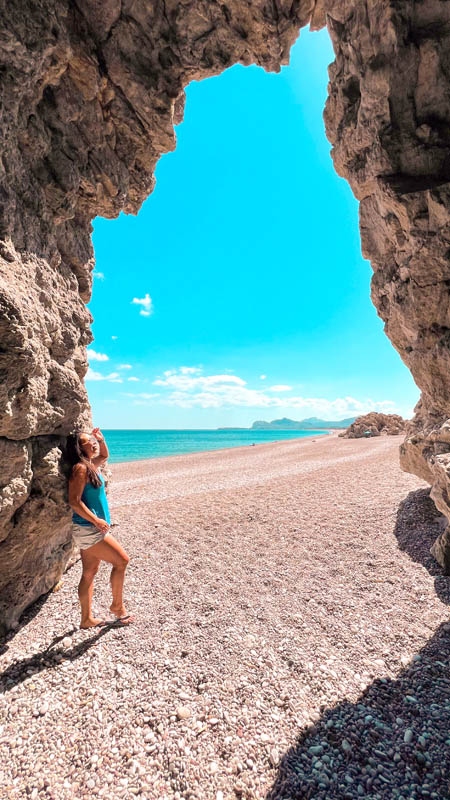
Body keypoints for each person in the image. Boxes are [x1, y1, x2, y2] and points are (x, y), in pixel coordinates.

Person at [67, 428, 133, 629]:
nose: (92, 444)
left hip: (89, 528)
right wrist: (96, 521)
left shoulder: (91, 465)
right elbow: (74, 502)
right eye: (88, 442)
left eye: (92, 441)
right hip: (89, 529)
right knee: (122, 561)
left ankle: (86, 620)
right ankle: (117, 607)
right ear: (79, 448)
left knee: (89, 572)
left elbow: (105, 455)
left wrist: (101, 440)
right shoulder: (80, 469)